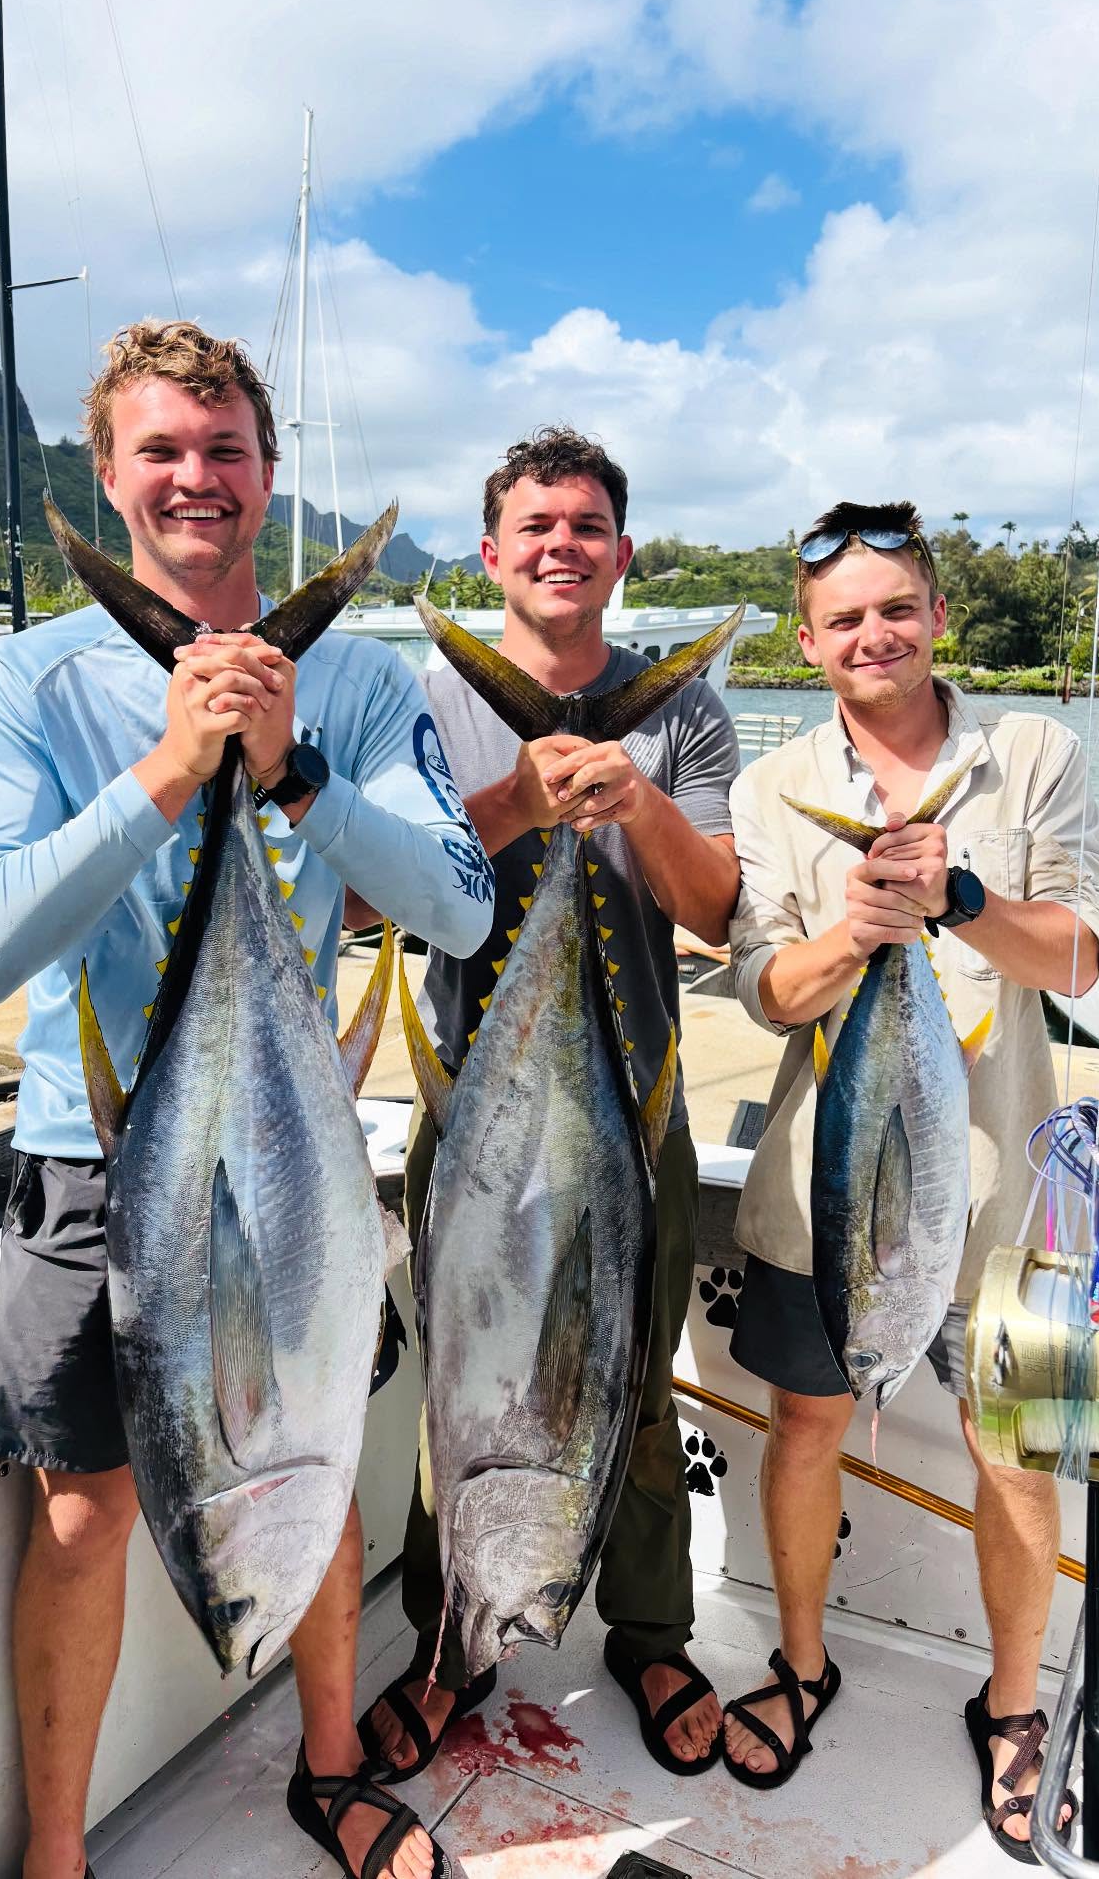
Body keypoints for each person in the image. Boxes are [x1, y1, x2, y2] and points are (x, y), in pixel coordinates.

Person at [0, 319, 494, 1879]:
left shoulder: (359, 680)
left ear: (268, 470)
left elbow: (457, 905)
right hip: (95, 1155)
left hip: (297, 1158)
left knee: (315, 1450)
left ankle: (334, 1767)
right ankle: (57, 1849)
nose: (197, 475)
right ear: (109, 473)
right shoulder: (24, 681)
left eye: (225, 447)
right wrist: (175, 768)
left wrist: (294, 769)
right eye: (162, 449)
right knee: (84, 1512)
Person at [356, 426, 743, 1783]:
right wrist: (520, 803)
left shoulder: (684, 711)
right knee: (458, 1385)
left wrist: (637, 803)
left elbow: (716, 908)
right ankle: (450, 1644)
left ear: (622, 553)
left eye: (586, 526)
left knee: (633, 1375)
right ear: (492, 552)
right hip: (475, 1111)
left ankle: (652, 1633)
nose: (561, 545)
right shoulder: (423, 701)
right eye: (536, 525)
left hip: (635, 1112)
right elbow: (367, 895)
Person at [722, 500, 1097, 1856]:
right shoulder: (772, 787)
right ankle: (801, 1664)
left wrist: (960, 900)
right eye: (844, 620)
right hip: (828, 1194)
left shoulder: (1034, 752)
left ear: (939, 615)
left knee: (1011, 1455)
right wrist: (859, 932)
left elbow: (1080, 959)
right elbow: (765, 988)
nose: (872, 635)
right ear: (808, 643)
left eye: (896, 609)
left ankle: (1013, 1704)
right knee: (804, 1424)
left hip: (1000, 1209)